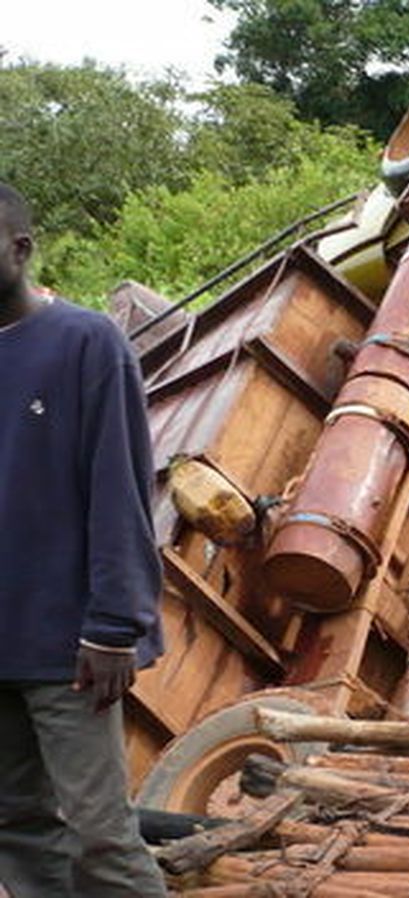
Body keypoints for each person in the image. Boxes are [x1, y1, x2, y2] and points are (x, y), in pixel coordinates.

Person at [0, 182, 167, 896]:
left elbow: (120, 488)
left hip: (70, 647)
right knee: (14, 824)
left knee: (101, 834)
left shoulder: (85, 343)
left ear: (21, 248)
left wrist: (113, 626)